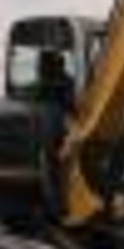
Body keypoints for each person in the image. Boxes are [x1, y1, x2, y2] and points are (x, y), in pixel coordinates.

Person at [36, 50, 76, 222]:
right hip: (61, 131)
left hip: (51, 133)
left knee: (49, 170)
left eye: (41, 65)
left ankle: (55, 209)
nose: (39, 69)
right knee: (61, 171)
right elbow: (71, 106)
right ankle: (62, 206)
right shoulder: (67, 82)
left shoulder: (44, 86)